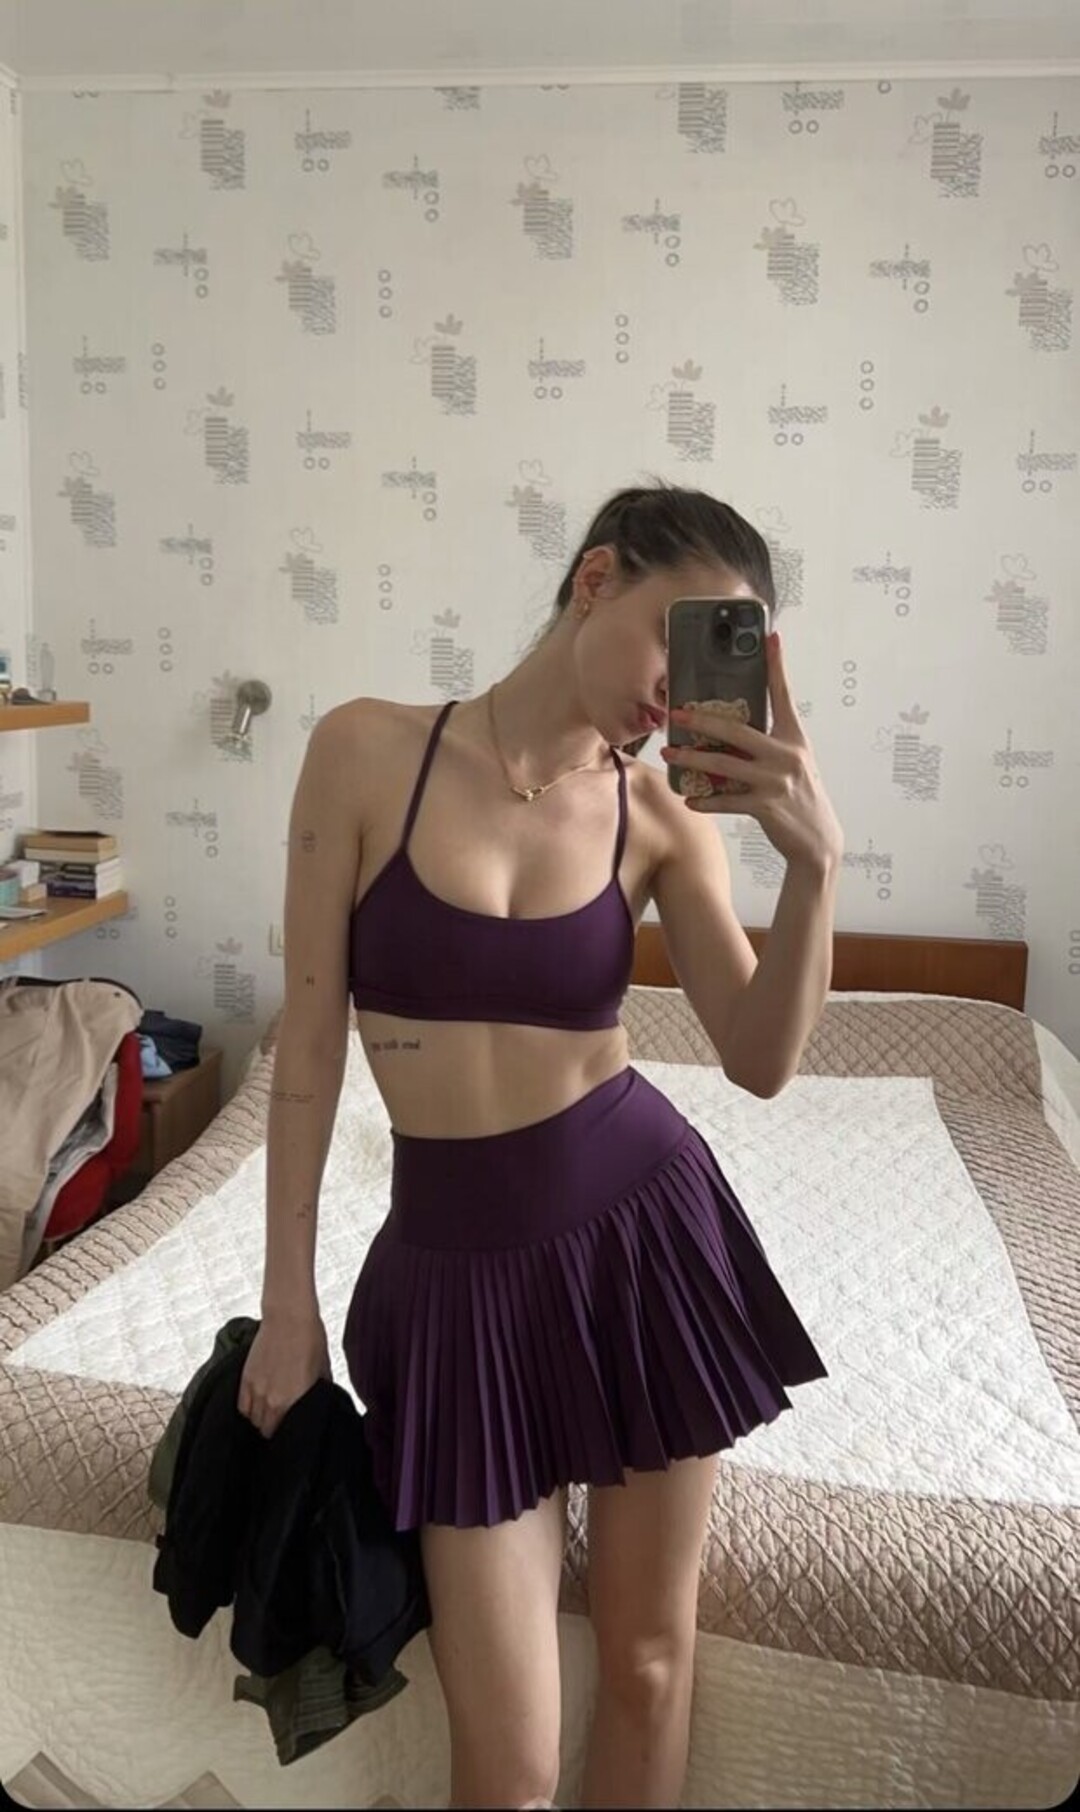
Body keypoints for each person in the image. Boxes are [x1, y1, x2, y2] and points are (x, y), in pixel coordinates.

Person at [238, 482, 843, 1810]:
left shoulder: (660, 817)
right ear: (596, 578)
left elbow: (760, 1058)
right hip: (453, 1283)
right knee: (507, 1767)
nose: (676, 692)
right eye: (678, 635)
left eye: (718, 660)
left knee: (645, 1665)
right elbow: (310, 1045)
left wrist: (815, 868)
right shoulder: (363, 751)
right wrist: (290, 1305)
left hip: (642, 1250)